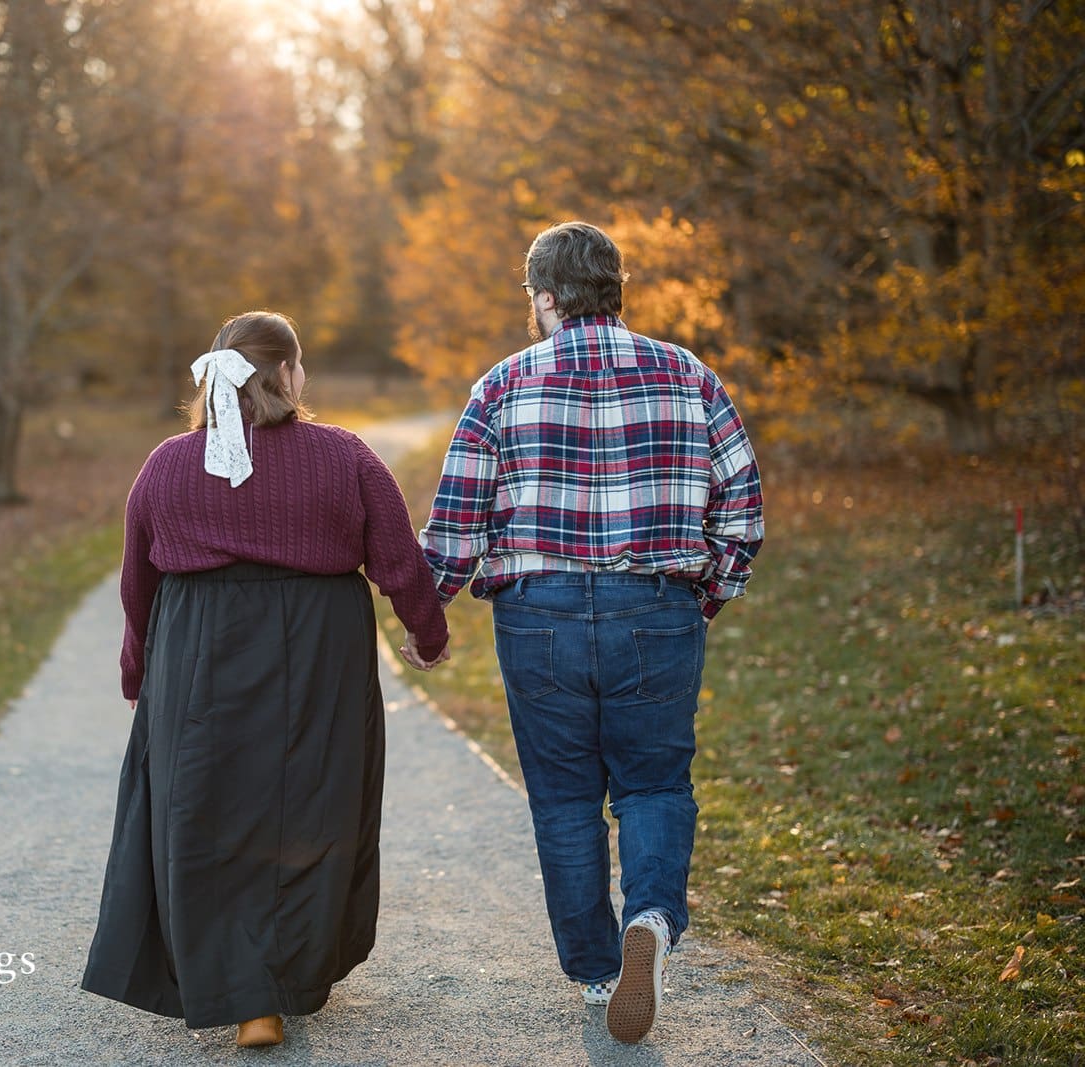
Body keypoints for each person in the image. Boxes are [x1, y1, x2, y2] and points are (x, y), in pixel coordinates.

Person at [420, 222, 764, 1044]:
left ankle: (597, 971)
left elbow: (457, 523)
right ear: (616, 289)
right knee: (653, 782)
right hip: (657, 605)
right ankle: (648, 919)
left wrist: (426, 614)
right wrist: (701, 596)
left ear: (543, 298)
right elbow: (742, 506)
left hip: (539, 616)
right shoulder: (689, 375)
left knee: (565, 797)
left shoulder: (502, 385)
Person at [82, 310, 450, 1049]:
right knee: (310, 803)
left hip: (199, 652)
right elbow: (400, 560)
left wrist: (138, 673)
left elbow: (137, 586)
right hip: (317, 652)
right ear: (286, 374)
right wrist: (427, 631)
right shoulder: (344, 455)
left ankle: (249, 994)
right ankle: (274, 982)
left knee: (208, 806)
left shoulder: (166, 464)